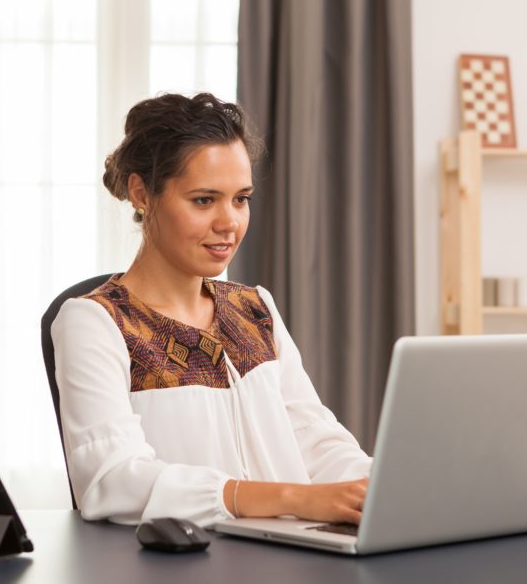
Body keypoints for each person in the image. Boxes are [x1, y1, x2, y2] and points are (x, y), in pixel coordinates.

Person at [52, 92, 371, 528]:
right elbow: (112, 479)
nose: (229, 223)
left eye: (241, 199)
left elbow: (314, 439)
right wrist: (293, 497)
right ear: (142, 193)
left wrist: (382, 484)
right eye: (204, 200)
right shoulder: (95, 322)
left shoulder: (255, 308)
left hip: (295, 558)